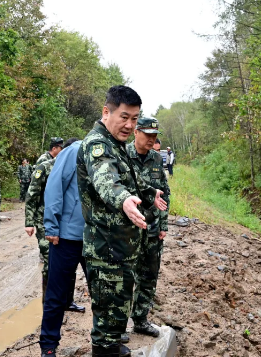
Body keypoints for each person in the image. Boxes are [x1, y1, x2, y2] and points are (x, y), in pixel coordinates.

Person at [77, 85, 167, 357]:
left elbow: (132, 179)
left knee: (117, 310)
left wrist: (151, 194)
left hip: (121, 248)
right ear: (107, 112)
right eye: (124, 117)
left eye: (135, 119)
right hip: (106, 250)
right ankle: (106, 349)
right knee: (106, 316)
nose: (129, 125)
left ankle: (113, 345)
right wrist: (124, 199)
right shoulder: (97, 144)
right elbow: (107, 180)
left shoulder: (116, 145)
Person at [39, 139, 88, 356]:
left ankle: (107, 341)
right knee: (56, 293)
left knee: (104, 292)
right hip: (67, 237)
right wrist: (51, 225)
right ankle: (48, 345)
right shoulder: (75, 151)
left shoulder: (114, 152)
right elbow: (54, 185)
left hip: (98, 237)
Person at [25, 138, 85, 310]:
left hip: (66, 223)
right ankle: (49, 303)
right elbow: (32, 195)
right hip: (45, 221)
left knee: (70, 265)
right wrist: (29, 222)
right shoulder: (45, 166)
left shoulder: (76, 166)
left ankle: (67, 301)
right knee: (50, 263)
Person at [126, 118, 170, 340]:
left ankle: (141, 320)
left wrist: (163, 224)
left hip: (151, 227)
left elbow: (164, 191)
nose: (151, 140)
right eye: (147, 135)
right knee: (124, 276)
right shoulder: (122, 154)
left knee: (149, 274)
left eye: (155, 136)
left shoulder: (155, 158)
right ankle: (118, 325)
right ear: (136, 132)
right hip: (127, 228)